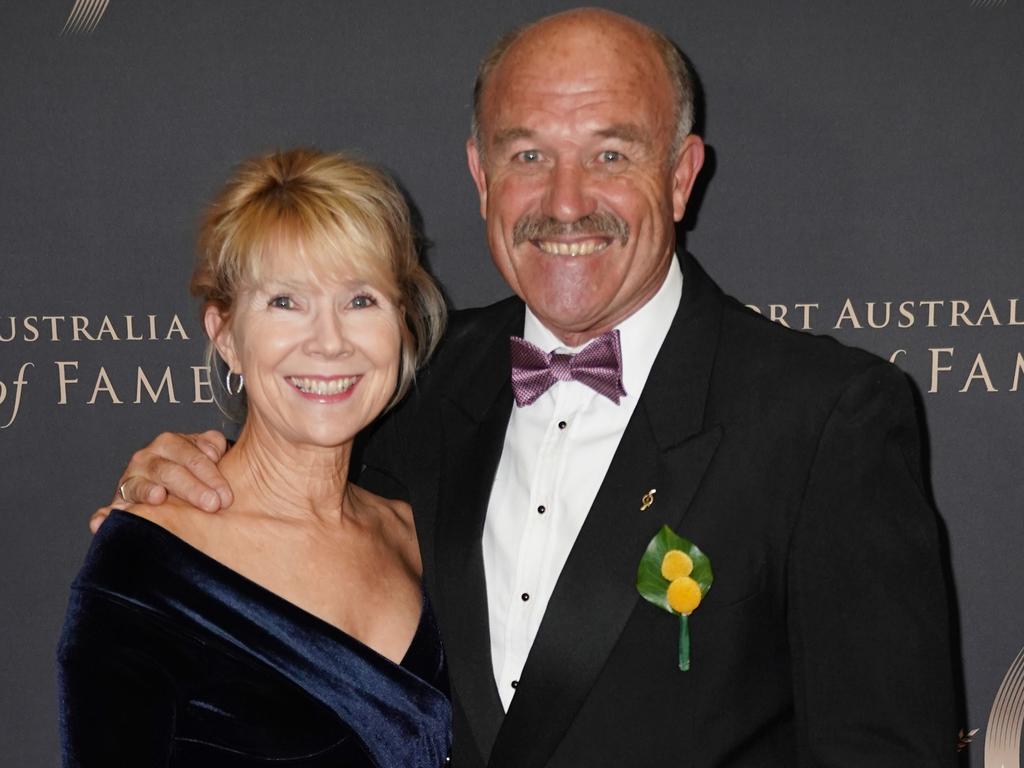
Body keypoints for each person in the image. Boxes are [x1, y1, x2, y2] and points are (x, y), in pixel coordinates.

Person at [101, 9, 958, 767]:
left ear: (682, 173)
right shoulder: (410, 379)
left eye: (610, 152)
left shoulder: (822, 418)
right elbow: (290, 517)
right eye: (529, 154)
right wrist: (183, 476)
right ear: (480, 174)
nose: (566, 200)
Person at [59, 148, 451, 767]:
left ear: (402, 325)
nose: (329, 342)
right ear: (225, 336)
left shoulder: (420, 539)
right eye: (285, 302)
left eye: (360, 300)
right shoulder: (150, 563)